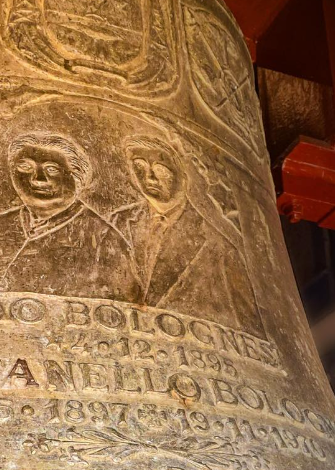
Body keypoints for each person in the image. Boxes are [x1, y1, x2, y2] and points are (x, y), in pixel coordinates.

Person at [0, 132, 141, 301]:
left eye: (52, 169)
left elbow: (124, 305)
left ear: (76, 177)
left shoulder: (102, 237)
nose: (38, 179)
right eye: (25, 168)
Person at [111, 135, 264, 336]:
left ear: (182, 174)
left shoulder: (217, 245)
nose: (149, 178)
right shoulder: (117, 221)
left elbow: (248, 325)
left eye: (160, 169)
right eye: (139, 167)